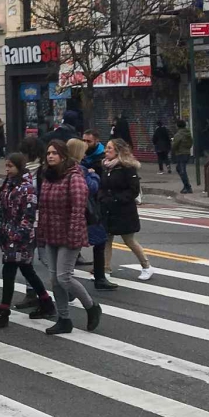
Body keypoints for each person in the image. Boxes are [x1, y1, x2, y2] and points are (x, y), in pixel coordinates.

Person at [34, 139, 101, 335]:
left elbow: (78, 209)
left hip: (70, 233)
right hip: (51, 233)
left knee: (64, 277)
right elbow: (43, 208)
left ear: (63, 155)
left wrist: (73, 236)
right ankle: (64, 318)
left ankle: (91, 306)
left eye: (54, 153)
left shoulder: (74, 176)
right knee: (55, 279)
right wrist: (41, 234)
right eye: (48, 153)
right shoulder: (48, 176)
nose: (50, 156)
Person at [0, 152, 51, 328]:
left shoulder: (27, 188)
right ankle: (46, 301)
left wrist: (18, 236)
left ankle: (3, 311)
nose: (7, 169)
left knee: (9, 271)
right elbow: (2, 211)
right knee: (26, 269)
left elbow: (28, 216)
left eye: (10, 166)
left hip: (21, 237)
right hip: (8, 234)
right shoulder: (8, 185)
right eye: (6, 166)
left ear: (19, 167)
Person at [100, 139, 152, 280]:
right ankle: (105, 269)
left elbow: (133, 190)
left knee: (129, 240)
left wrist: (117, 199)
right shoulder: (105, 167)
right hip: (107, 209)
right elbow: (103, 186)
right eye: (106, 148)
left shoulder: (127, 167)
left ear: (118, 150)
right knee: (106, 240)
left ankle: (146, 266)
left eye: (109, 148)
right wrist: (102, 198)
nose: (106, 151)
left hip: (124, 210)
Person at [69, 138, 115, 291]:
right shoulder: (80, 169)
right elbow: (92, 188)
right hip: (87, 212)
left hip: (75, 213)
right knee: (99, 241)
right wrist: (93, 175)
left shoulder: (62, 168)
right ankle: (99, 278)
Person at [170, 119, 193, 194]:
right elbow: (191, 143)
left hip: (180, 153)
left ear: (177, 126)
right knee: (179, 168)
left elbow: (174, 145)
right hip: (186, 152)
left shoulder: (178, 134)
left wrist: (172, 145)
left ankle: (187, 187)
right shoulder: (188, 133)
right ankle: (186, 186)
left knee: (182, 170)